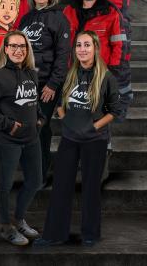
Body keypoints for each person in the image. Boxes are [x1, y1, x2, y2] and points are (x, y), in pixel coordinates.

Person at [35, 31, 119, 248]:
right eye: (79, 45)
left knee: (91, 189)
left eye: (87, 45)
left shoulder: (106, 77)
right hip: (70, 139)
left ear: (95, 48)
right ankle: (54, 234)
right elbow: (60, 103)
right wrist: (66, 121)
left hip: (95, 141)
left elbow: (115, 110)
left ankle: (90, 234)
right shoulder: (69, 75)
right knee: (61, 186)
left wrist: (93, 127)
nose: (82, 49)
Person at [0, 31, 43, 246]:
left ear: (27, 49)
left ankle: (19, 219)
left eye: (22, 46)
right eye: (13, 46)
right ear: (5, 49)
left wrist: (39, 118)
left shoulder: (32, 73)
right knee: (5, 185)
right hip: (8, 140)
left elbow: (33, 100)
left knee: (35, 181)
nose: (18, 50)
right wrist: (7, 125)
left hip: (31, 139)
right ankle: (6, 227)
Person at [19, 0, 71, 180]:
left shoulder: (59, 19)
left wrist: (53, 84)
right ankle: (31, 170)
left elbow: (63, 56)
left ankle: (39, 173)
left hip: (47, 85)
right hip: (26, 83)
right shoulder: (26, 19)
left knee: (39, 125)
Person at [63, 0, 131, 118]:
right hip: (74, 74)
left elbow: (120, 46)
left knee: (97, 119)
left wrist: (111, 75)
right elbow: (61, 43)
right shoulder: (68, 11)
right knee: (77, 119)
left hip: (99, 75)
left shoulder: (111, 12)